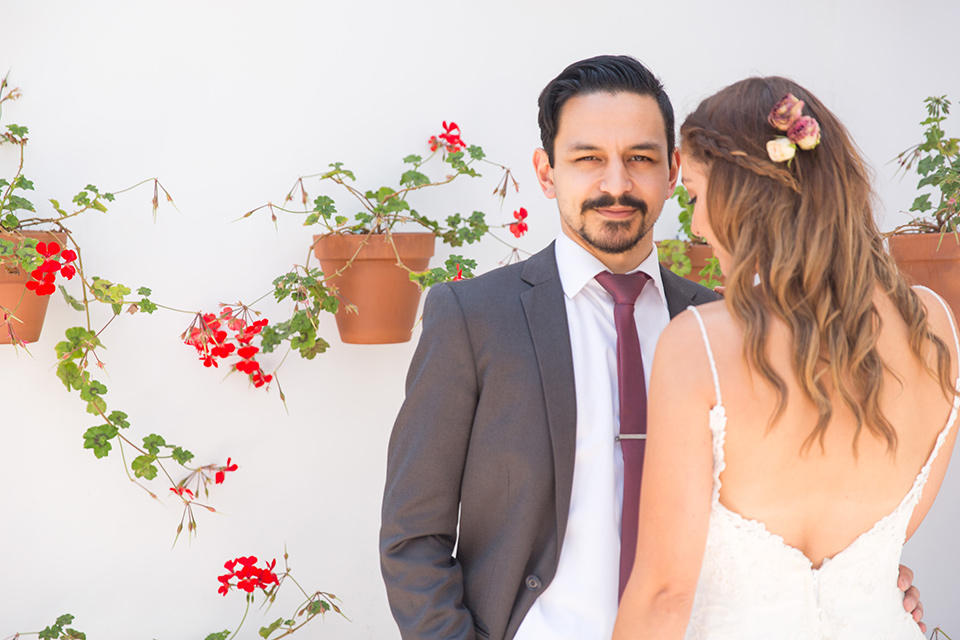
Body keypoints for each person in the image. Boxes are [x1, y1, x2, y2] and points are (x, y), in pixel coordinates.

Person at [380, 57, 922, 640]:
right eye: (588, 159)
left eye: (639, 159)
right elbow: (414, 535)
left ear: (672, 171)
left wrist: (860, 579)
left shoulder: (730, 325)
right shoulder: (472, 319)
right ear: (545, 172)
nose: (616, 185)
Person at [613, 76, 957, 639]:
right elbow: (889, 549)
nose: (696, 226)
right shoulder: (935, 326)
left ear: (744, 189)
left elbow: (664, 593)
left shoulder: (698, 343)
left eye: (696, 196)